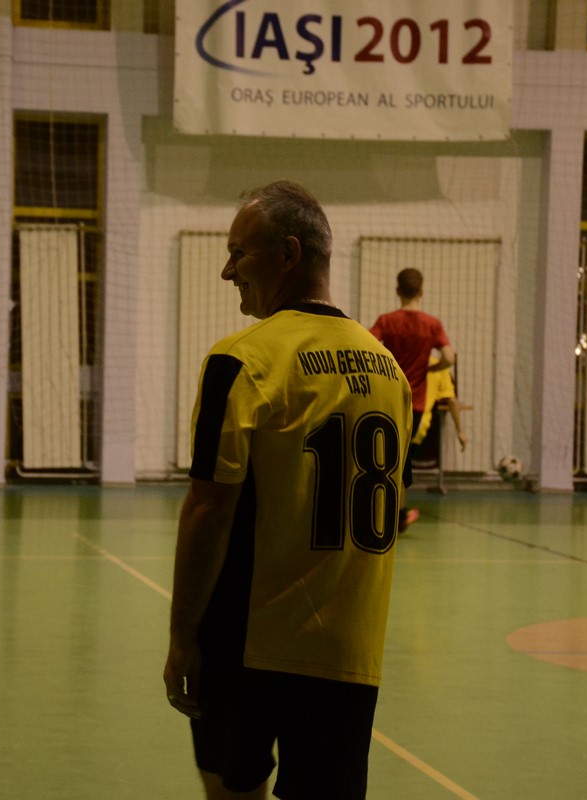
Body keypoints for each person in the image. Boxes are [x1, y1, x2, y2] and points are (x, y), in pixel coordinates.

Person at [163, 180, 412, 800]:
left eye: (238, 253)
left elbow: (209, 508)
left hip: (246, 643)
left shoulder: (242, 360)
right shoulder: (389, 372)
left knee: (231, 791)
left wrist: (182, 637)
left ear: (289, 254)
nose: (228, 272)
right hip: (350, 651)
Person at [369, 268, 455, 527]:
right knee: (402, 460)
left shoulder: (387, 321)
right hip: (414, 403)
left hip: (387, 400)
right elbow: (449, 358)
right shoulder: (432, 325)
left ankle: (381, 511)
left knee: (382, 456)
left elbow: (367, 345)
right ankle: (398, 514)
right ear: (421, 291)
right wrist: (433, 369)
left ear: (398, 290)